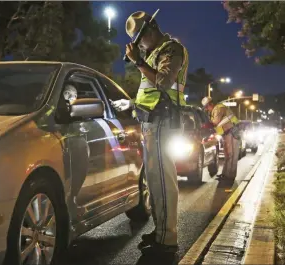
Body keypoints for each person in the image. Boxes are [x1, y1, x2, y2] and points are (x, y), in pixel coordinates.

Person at [111, 11, 189, 255]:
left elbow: (164, 83)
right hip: (150, 123)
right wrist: (132, 105)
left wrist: (138, 62)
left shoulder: (172, 49)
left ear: (149, 31)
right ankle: (160, 233)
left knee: (163, 182)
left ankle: (167, 239)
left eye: (139, 40)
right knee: (154, 182)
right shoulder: (153, 53)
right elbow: (150, 93)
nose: (139, 46)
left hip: (162, 121)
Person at [202, 97, 240, 180]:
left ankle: (230, 176)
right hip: (227, 133)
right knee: (227, 155)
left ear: (211, 104)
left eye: (207, 107)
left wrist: (205, 126)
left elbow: (215, 122)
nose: (207, 109)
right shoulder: (215, 110)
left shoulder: (218, 108)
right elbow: (217, 126)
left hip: (232, 132)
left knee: (231, 155)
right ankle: (225, 174)